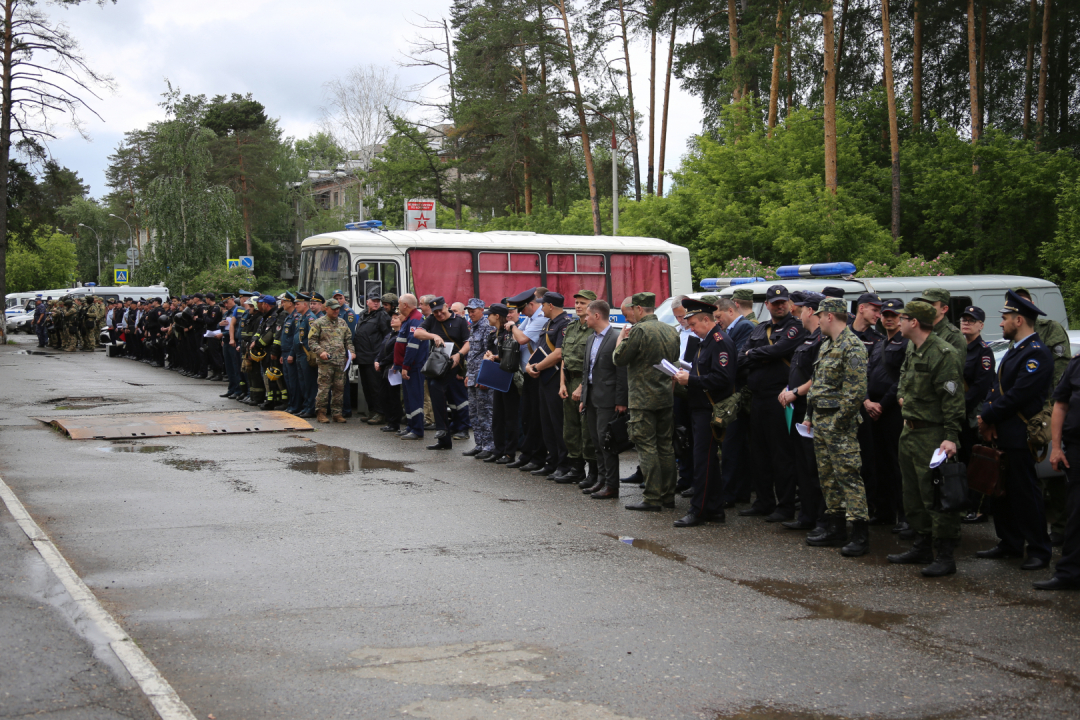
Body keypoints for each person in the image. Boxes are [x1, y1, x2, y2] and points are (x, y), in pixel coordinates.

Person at [976, 290, 1054, 571]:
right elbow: (996, 390)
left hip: (1020, 433)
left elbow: (1017, 396)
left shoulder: (1036, 354)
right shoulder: (1016, 350)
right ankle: (1009, 542)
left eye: (1005, 318)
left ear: (1019, 320)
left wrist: (986, 417)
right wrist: (989, 418)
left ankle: (1038, 550)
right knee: (1002, 492)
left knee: (1026, 494)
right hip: (1003, 431)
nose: (1001, 323)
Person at [887, 300, 966, 576]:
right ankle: (922, 545)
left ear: (914, 322)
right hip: (909, 431)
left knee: (936, 493)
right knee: (913, 493)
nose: (899, 321)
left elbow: (953, 400)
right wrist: (901, 396)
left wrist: (951, 437)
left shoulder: (944, 354)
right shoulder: (912, 347)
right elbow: (903, 378)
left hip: (933, 434)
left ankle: (945, 554)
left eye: (903, 318)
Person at [804, 296, 870, 556]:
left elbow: (855, 393)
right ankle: (836, 527)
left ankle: (860, 534)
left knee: (849, 477)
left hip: (838, 423)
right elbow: (817, 381)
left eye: (819, 316)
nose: (817, 320)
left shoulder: (852, 346)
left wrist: (839, 424)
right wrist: (809, 415)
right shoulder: (826, 345)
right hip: (821, 419)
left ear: (829, 316)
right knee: (828, 477)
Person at [740, 285, 807, 522]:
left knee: (781, 454)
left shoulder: (795, 327)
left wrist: (755, 355)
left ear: (789, 304)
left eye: (783, 302)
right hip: (758, 398)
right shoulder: (760, 329)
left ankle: (785, 505)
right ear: (767, 305)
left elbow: (781, 349)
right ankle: (764, 501)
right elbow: (741, 356)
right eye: (775, 302)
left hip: (780, 399)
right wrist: (760, 355)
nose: (780, 306)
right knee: (759, 453)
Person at [1013, 287, 1072, 545]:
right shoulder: (1013, 331)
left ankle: (1060, 527)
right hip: (1025, 411)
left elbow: (1060, 372)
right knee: (1031, 474)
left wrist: (1050, 407)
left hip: (1047, 409)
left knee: (1053, 473)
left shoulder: (1050, 329)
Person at [613, 292, 681, 512]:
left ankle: (652, 497)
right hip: (665, 396)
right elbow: (675, 359)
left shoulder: (639, 331)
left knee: (646, 447)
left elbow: (619, 359)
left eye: (631, 311)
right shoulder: (671, 330)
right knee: (666, 446)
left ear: (639, 309)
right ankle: (668, 495)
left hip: (642, 399)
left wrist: (621, 340)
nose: (630, 316)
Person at [672, 298, 737, 526]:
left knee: (703, 462)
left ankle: (698, 510)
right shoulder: (705, 340)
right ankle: (715, 509)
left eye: (693, 324)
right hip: (700, 407)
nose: (690, 328)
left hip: (710, 408)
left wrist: (691, 380)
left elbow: (723, 378)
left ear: (706, 320)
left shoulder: (719, 342)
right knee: (707, 461)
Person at [778, 291, 826, 534]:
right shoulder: (808, 338)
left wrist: (795, 391)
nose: (795, 312)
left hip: (811, 410)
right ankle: (807, 515)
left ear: (811, 311)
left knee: (812, 466)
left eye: (798, 309)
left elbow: (818, 377)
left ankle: (819, 518)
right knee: (801, 465)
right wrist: (788, 389)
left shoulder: (822, 340)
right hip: (797, 410)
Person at [1033, 352, 1080, 590]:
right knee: (1076, 513)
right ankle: (1070, 574)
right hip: (1077, 449)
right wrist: (1056, 447)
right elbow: (1060, 404)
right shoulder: (1077, 363)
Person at [865, 298, 910, 534]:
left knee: (897, 464)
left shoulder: (906, 345)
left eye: (893, 314)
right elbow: (867, 374)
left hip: (893, 411)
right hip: (874, 411)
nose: (888, 318)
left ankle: (904, 516)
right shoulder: (879, 344)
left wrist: (881, 404)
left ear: (903, 317)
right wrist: (867, 401)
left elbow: (902, 380)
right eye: (885, 314)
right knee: (878, 463)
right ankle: (883, 511)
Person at [578, 299, 627, 499]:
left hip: (608, 399)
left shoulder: (616, 337)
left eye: (587, 315)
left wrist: (621, 401)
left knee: (607, 442)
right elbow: (586, 370)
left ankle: (612, 485)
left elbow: (621, 371)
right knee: (596, 441)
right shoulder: (591, 338)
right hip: (591, 397)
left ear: (597, 315)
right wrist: (583, 397)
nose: (585, 318)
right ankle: (601, 480)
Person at [413, 296, 471, 450]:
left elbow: (468, 342)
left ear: (446, 306)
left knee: (445, 391)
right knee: (434, 386)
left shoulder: (460, 321)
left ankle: (448, 429)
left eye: (440, 310)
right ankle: (444, 437)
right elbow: (417, 333)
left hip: (454, 363)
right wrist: (434, 336)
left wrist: (459, 356)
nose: (438, 314)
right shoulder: (432, 320)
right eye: (435, 312)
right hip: (438, 363)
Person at [525, 291, 572, 478]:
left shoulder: (564, 325)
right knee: (546, 423)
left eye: (543, 304)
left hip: (555, 380)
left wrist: (536, 366)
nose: (540, 307)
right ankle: (551, 462)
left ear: (550, 305)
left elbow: (559, 353)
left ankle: (564, 464)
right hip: (543, 379)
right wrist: (530, 365)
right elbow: (541, 348)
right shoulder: (548, 323)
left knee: (558, 424)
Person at [715, 297, 754, 508]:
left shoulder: (744, 327)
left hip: (739, 394)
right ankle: (737, 491)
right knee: (734, 445)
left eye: (719, 317)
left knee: (733, 445)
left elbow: (737, 359)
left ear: (730, 311)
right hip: (733, 392)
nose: (717, 321)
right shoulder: (732, 328)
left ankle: (731, 492)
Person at [958, 306, 995, 522]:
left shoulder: (984, 352)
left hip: (972, 415)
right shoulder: (959, 347)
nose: (966, 322)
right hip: (960, 414)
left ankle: (978, 508)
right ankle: (964, 503)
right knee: (962, 461)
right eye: (964, 319)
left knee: (976, 461)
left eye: (972, 320)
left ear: (981, 325)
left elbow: (981, 387)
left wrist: (960, 408)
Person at [505, 289, 548, 471]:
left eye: (522, 310)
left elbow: (521, 338)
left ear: (531, 305)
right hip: (528, 374)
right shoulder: (530, 318)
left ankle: (537, 457)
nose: (521, 314)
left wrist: (513, 325)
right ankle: (527, 454)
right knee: (527, 417)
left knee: (536, 419)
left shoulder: (540, 319)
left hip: (539, 373)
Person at [559, 290, 599, 488]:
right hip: (569, 380)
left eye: (583, 303)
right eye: (576, 302)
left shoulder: (594, 329)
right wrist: (562, 384)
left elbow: (594, 363)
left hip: (585, 382)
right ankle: (576, 468)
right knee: (570, 428)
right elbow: (564, 358)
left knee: (586, 429)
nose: (578, 306)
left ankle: (593, 472)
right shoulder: (571, 327)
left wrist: (581, 387)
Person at [483, 303, 521, 465]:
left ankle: (510, 452)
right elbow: (492, 352)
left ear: (497, 316)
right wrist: (489, 355)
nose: (487, 317)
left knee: (510, 417)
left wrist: (496, 357)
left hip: (510, 378)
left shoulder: (510, 332)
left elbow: (511, 355)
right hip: (497, 376)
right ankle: (498, 450)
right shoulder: (494, 334)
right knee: (497, 417)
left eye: (489, 314)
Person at [307, 298, 356, 423]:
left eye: (337, 308)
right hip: (325, 363)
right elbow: (311, 342)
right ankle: (321, 412)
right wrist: (320, 352)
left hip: (340, 362)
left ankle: (337, 413)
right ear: (326, 309)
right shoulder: (318, 323)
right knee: (324, 388)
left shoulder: (342, 323)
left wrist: (351, 352)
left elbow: (348, 340)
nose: (336, 311)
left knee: (339, 388)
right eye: (333, 309)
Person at [463, 299, 495, 459]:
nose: (471, 313)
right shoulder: (473, 327)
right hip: (472, 375)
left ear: (482, 309)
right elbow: (473, 354)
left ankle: (489, 446)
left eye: (473, 310)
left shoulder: (486, 326)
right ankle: (479, 444)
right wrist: (469, 375)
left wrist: (483, 376)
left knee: (485, 412)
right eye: (469, 310)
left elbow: (487, 353)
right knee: (474, 413)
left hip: (481, 376)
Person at [395, 293, 429, 440]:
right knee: (408, 399)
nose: (398, 307)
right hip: (408, 366)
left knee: (415, 398)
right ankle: (410, 426)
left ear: (405, 305)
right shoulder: (409, 319)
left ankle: (417, 429)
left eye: (399, 304)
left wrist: (406, 366)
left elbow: (412, 346)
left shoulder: (415, 320)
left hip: (414, 367)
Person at [354, 292, 391, 426]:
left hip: (374, 357)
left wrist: (381, 357)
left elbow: (387, 336)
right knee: (367, 387)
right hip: (363, 356)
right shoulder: (364, 314)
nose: (376, 303)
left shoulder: (382, 315)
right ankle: (372, 410)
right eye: (373, 301)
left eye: (378, 301)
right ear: (367, 301)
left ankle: (380, 413)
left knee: (376, 387)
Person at [916, 288, 966, 369]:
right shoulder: (918, 331)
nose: (925, 307)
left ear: (944, 309)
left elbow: (954, 370)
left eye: (931, 304)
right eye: (923, 303)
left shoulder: (953, 335)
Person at [375, 310, 404, 433]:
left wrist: (382, 363)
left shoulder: (400, 335)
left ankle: (394, 422)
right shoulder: (390, 334)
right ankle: (389, 420)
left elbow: (394, 353)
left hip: (392, 368)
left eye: (396, 318)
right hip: (384, 369)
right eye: (392, 318)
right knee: (383, 395)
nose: (392, 320)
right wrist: (376, 360)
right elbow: (382, 349)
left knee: (393, 397)